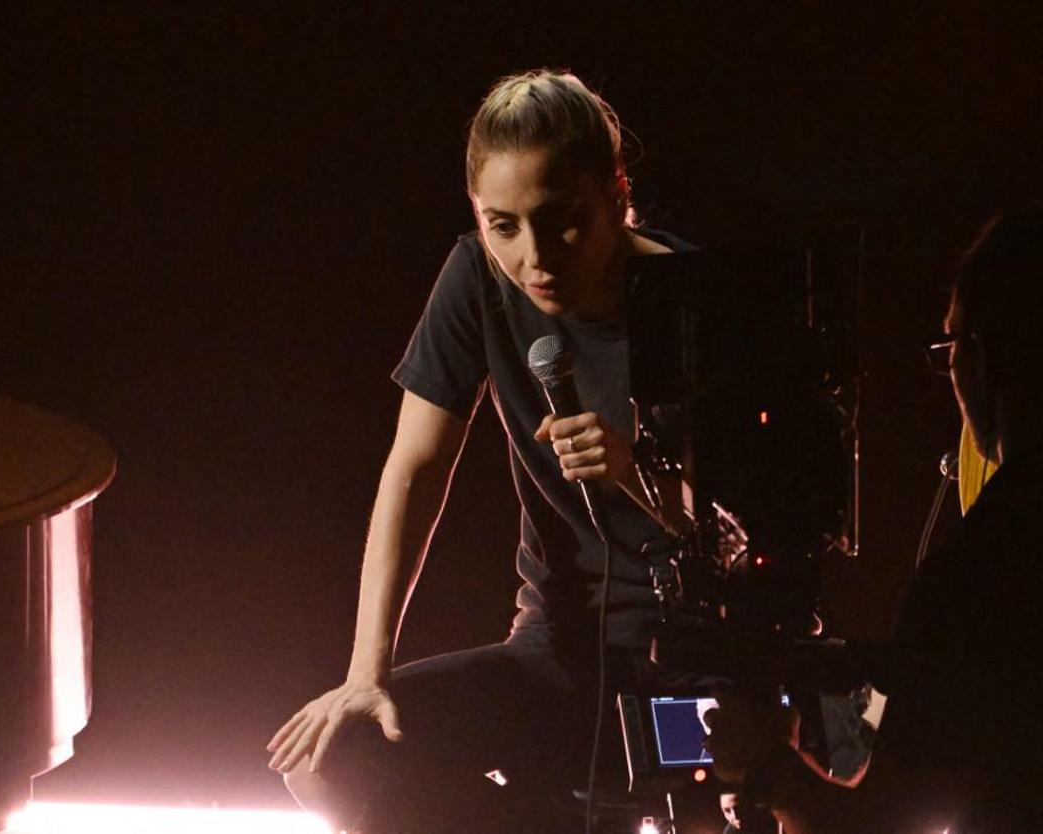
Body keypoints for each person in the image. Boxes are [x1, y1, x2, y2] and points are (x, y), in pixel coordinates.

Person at [266, 69, 699, 832]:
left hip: (695, 669)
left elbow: (753, 537)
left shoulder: (698, 297)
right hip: (554, 657)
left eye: (562, 220)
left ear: (615, 193)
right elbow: (415, 469)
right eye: (504, 226)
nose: (535, 257)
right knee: (326, 760)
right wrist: (366, 673)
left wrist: (635, 473)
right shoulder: (477, 277)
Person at [704, 209, 1043, 833]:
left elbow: (880, 824)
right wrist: (876, 663)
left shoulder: (986, 564)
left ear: (983, 357)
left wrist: (765, 763)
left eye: (950, 347)